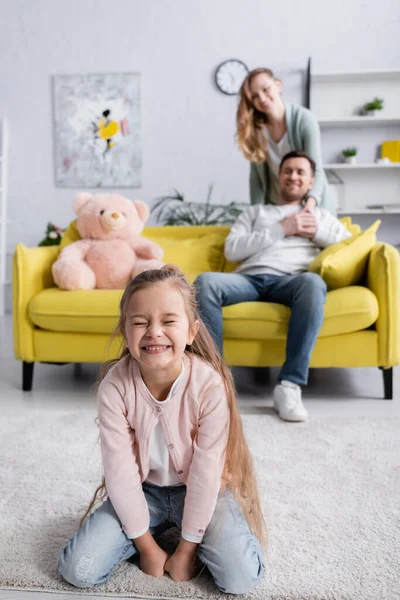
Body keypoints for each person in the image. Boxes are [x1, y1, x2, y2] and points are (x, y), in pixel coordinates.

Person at [58, 266, 266, 595]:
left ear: (191, 331)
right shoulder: (114, 388)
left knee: (240, 579)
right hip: (144, 492)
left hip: (203, 490)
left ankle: (198, 533)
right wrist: (146, 547)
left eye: (169, 321)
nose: (154, 332)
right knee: (77, 569)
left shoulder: (209, 385)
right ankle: (149, 531)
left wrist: (187, 550)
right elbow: (120, 471)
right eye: (140, 322)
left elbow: (205, 472)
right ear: (126, 333)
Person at [195, 151, 352, 423]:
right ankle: (214, 383)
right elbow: (232, 250)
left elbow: (348, 247)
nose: (293, 176)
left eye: (300, 172)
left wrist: (315, 233)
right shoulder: (256, 212)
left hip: (292, 280)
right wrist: (282, 227)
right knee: (205, 282)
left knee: (313, 284)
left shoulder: (322, 216)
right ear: (278, 177)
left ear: (311, 181)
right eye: (288, 171)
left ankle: (289, 387)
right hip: (249, 279)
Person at [237, 67, 334, 213]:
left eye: (265, 89)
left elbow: (316, 170)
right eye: (255, 96)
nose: (262, 99)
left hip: (311, 204)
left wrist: (310, 203)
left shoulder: (304, 120)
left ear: (278, 85)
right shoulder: (256, 130)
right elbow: (256, 179)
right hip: (277, 207)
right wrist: (255, 213)